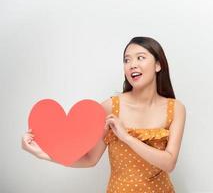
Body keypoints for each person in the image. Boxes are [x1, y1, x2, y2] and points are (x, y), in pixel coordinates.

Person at [22, 36, 186, 192]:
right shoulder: (110, 107)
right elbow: (89, 159)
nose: (132, 65)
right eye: (127, 60)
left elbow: (169, 163)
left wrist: (126, 137)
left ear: (158, 65)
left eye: (140, 58)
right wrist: (42, 153)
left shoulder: (175, 108)